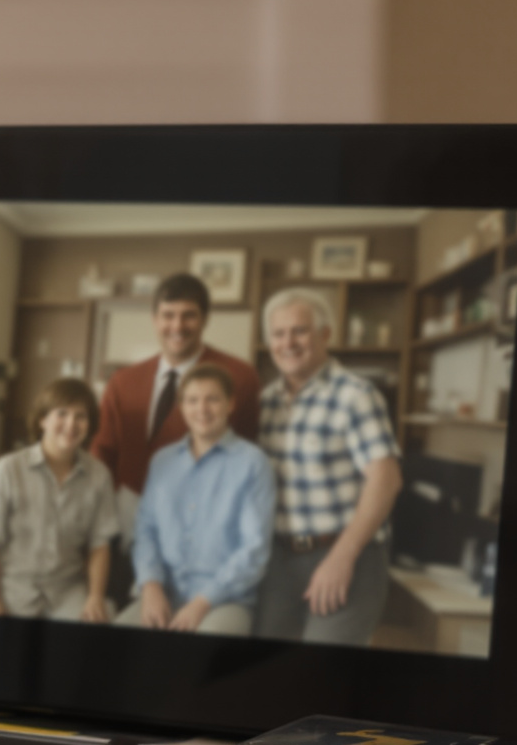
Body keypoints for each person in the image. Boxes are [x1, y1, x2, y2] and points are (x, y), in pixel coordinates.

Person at [256, 287, 402, 643]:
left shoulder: (355, 395)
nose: (288, 342)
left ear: (325, 334)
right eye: (278, 333)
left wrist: (342, 557)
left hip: (346, 557)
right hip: (277, 563)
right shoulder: (264, 403)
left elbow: (386, 479)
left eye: (300, 331)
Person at [122, 365, 274, 636]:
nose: (202, 409)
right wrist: (151, 585)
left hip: (224, 602)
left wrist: (203, 602)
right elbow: (145, 532)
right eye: (192, 400)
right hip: (163, 594)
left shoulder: (253, 463)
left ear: (230, 404)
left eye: (212, 399)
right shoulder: (162, 461)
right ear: (181, 406)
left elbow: (254, 550)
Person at [92, 272, 262, 497]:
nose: (177, 326)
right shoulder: (123, 382)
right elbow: (102, 452)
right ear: (154, 319)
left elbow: (246, 452)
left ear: (205, 319)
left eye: (188, 315)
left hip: (202, 509)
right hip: (126, 512)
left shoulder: (239, 377)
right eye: (168, 315)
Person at [0, 378, 123, 621]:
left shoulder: (99, 475)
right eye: (61, 413)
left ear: (90, 424)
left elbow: (99, 545)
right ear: (42, 419)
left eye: (80, 416)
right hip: (11, 586)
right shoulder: (8, 469)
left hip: (68, 590)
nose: (71, 424)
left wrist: (95, 596)